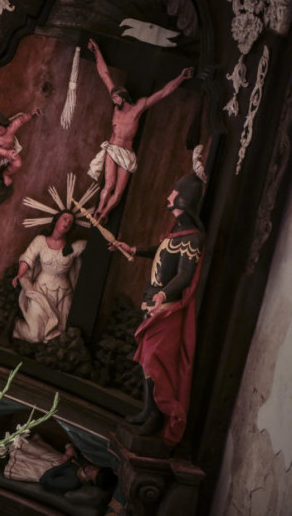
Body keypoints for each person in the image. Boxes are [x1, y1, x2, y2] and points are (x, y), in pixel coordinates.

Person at [110, 172, 204, 443]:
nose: (168, 197)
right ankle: (147, 410)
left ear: (183, 201)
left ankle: (156, 415)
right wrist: (133, 250)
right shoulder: (176, 231)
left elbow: (184, 275)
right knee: (146, 363)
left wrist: (164, 294)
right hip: (153, 303)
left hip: (167, 310)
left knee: (155, 362)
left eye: (173, 194)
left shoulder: (193, 239)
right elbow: (160, 251)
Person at [86, 38, 194, 223]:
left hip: (127, 153)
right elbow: (104, 74)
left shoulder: (138, 108)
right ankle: (98, 210)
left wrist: (181, 77)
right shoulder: (116, 106)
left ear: (123, 97)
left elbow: (163, 93)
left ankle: (104, 214)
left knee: (118, 192)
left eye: (116, 98)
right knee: (108, 185)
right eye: (113, 98)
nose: (113, 100)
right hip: (113, 148)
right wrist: (96, 51)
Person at [12, 211, 86, 343]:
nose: (67, 223)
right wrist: (20, 274)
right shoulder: (40, 240)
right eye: (65, 219)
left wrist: (112, 239)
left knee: (59, 334)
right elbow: (28, 258)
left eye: (70, 222)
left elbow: (96, 245)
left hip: (62, 295)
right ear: (56, 220)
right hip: (40, 291)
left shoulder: (73, 246)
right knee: (34, 336)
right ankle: (17, 325)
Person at [4, 435, 116, 493]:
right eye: (94, 469)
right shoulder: (85, 463)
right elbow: (69, 446)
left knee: (17, 455)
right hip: (49, 455)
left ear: (92, 481)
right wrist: (70, 448)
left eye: (91, 475)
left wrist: (64, 463)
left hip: (39, 469)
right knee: (22, 443)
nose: (89, 470)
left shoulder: (72, 482)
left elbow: (45, 481)